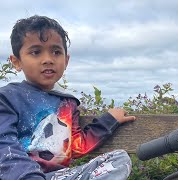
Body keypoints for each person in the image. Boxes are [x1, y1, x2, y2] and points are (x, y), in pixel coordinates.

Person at [0, 15, 136, 179]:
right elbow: (4, 145)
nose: (48, 59)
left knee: (119, 159)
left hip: (58, 177)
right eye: (35, 52)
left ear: (66, 60)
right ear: (16, 62)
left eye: (56, 52)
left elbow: (75, 147)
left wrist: (109, 120)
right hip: (19, 176)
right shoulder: (8, 97)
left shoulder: (67, 103)